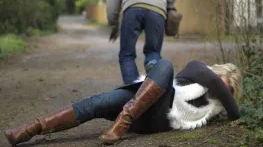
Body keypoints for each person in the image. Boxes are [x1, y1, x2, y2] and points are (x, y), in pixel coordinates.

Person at [4, 60, 242, 146]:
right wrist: (219, 84)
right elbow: (211, 79)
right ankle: (29, 130)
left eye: (226, 91)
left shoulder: (215, 108)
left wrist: (226, 96)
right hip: (142, 98)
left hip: (157, 117)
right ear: (216, 71)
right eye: (221, 83)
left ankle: (123, 121)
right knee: (96, 104)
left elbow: (234, 112)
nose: (219, 90)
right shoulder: (198, 69)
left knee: (164, 66)